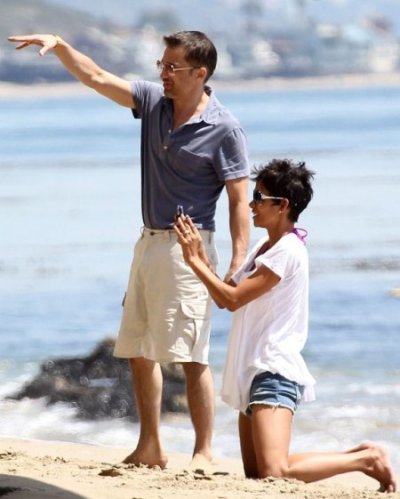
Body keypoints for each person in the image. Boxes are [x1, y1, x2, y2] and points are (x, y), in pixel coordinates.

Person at [8, 31, 250, 469]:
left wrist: (236, 261)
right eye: (162, 65)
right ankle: (150, 447)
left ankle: (204, 451)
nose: (163, 74)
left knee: (190, 354)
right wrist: (62, 46)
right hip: (148, 242)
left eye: (172, 67)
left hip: (189, 248)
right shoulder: (153, 101)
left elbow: (238, 201)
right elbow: (97, 77)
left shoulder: (225, 127)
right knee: (138, 348)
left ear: (200, 73)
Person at [174, 158, 397, 492]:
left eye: (259, 198)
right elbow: (225, 297)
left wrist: (193, 260)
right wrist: (200, 258)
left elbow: (233, 300)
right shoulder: (265, 248)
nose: (251, 204)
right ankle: (360, 454)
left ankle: (367, 460)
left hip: (273, 372)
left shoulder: (287, 251)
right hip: (251, 373)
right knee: (258, 475)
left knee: (274, 472)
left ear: (282, 205)